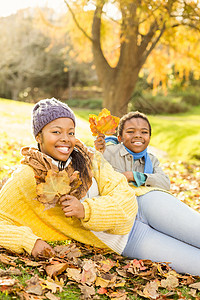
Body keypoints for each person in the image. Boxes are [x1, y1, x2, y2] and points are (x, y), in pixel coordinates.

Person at [1, 98, 200, 277]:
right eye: (56, 132)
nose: (66, 138)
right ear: (38, 136)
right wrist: (29, 242)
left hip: (145, 204)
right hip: (128, 240)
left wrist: (85, 210)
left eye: (71, 132)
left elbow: (124, 194)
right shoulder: (27, 176)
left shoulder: (87, 157)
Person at [94, 111, 170, 190]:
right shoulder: (108, 152)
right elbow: (92, 173)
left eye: (144, 132)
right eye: (130, 132)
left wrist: (134, 176)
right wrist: (97, 153)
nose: (138, 135)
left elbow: (165, 183)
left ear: (149, 138)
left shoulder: (151, 160)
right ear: (120, 138)